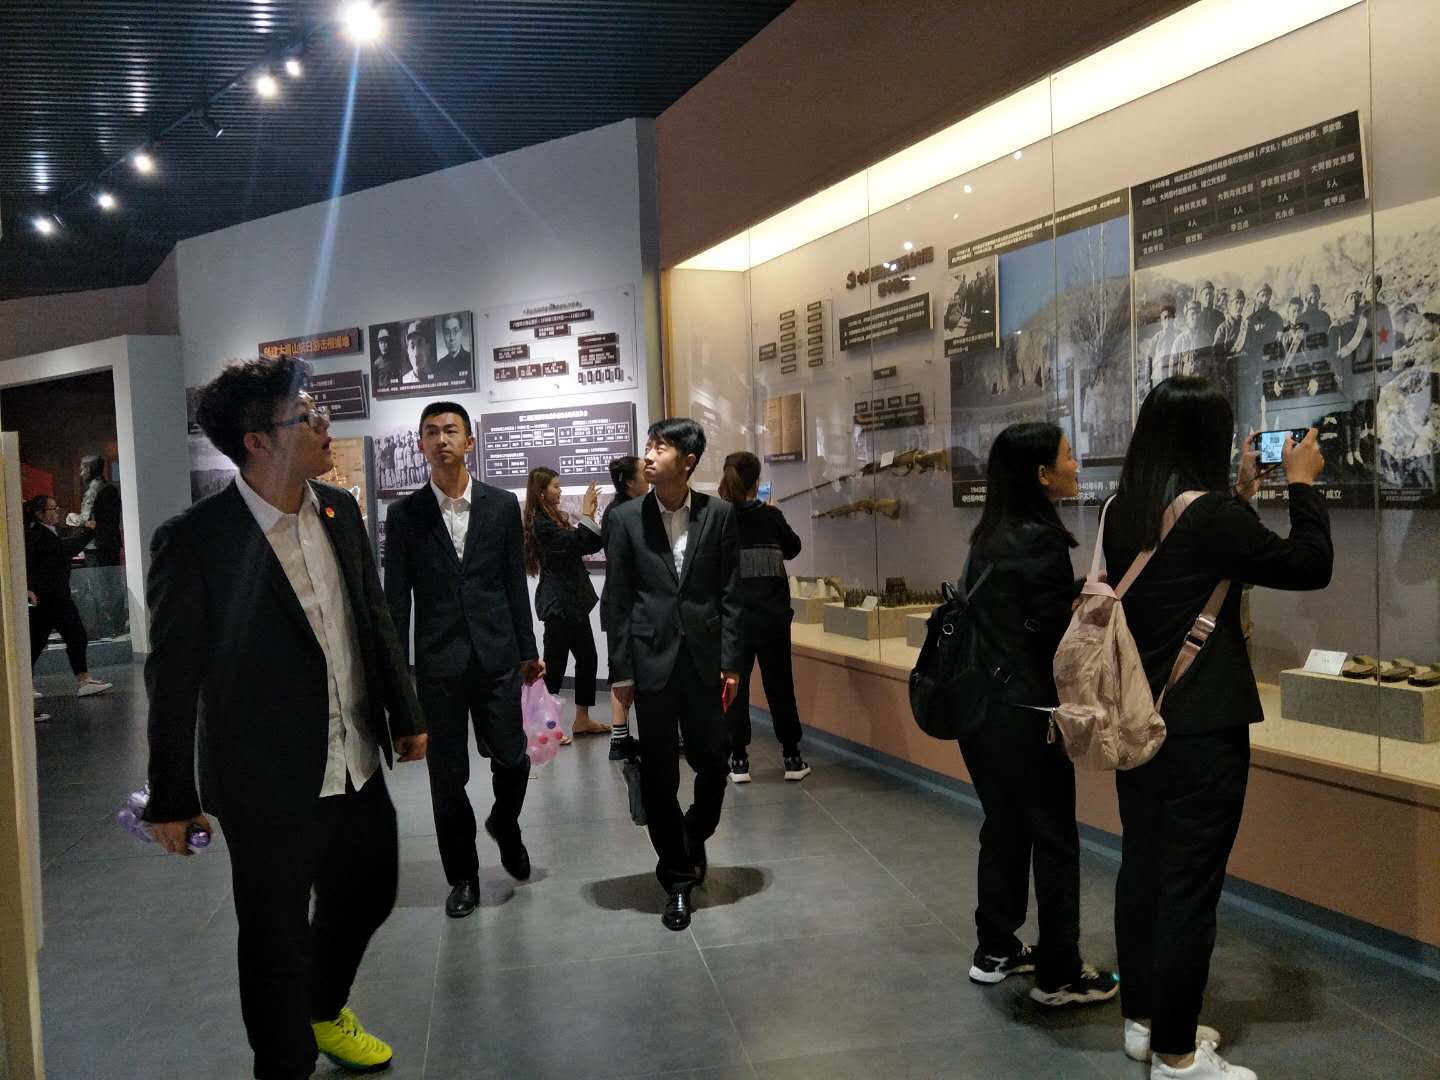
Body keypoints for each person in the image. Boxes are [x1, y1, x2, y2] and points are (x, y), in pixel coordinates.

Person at [143, 356, 428, 1079]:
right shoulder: (197, 540)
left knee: (370, 891)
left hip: (354, 758)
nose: (323, 424)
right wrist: (171, 797)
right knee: (273, 935)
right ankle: (284, 1062)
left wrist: (404, 711)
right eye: (306, 416)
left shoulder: (339, 511)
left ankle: (322, 1008)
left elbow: (372, 619)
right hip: (264, 778)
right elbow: (172, 676)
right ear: (257, 442)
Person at [1105, 376, 1331, 1079]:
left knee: (1144, 869)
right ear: (1209, 438)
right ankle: (1177, 1056)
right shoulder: (1213, 518)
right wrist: (1303, 484)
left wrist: (1241, 495)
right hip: (1201, 730)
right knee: (1189, 888)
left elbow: (1190, 561)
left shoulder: (1123, 509)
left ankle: (1144, 1023)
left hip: (1138, 718)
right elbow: (1310, 565)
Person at [958, 423, 1118, 1007]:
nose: (1076, 464)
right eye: (1067, 456)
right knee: (1053, 837)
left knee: (1004, 827)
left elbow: (1019, 608)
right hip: (1025, 714)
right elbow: (1051, 632)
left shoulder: (991, 534)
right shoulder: (1041, 541)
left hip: (983, 710)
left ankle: (995, 948)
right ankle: (1059, 973)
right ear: (1042, 474)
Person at [383, 401, 544, 919]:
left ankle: (505, 823)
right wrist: (396, 679)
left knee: (513, 758)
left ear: (469, 441)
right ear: (420, 444)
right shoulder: (405, 515)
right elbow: (396, 600)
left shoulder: (500, 505)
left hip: (497, 655)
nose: (441, 439)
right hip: (438, 664)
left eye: (450, 430)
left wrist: (528, 650)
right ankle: (464, 877)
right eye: (431, 432)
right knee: (447, 779)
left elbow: (513, 582)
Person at [606, 418, 743, 931]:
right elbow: (618, 598)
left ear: (687, 461)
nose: (648, 455)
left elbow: (731, 593)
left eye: (660, 447)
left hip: (706, 663)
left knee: (714, 762)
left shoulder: (719, 514)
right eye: (648, 445)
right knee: (659, 774)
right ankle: (678, 879)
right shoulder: (625, 519)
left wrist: (732, 661)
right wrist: (621, 673)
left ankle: (693, 833)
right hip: (652, 662)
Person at [715, 451, 809, 783]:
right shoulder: (771, 516)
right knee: (780, 686)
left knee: (734, 689)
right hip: (772, 619)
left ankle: (739, 760)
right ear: (757, 482)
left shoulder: (718, 518)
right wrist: (772, 515)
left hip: (734, 622)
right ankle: (792, 758)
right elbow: (794, 548)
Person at [523, 467, 608, 737]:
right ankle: (545, 726)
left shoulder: (554, 518)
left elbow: (588, 544)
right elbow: (578, 541)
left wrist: (589, 515)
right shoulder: (541, 524)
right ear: (542, 492)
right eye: (556, 486)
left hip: (572, 602)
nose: (560, 491)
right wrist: (585, 514)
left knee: (588, 659)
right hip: (558, 603)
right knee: (555, 665)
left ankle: (581, 720)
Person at [25, 495, 112, 707]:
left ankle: (81, 680)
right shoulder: (38, 534)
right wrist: (88, 532)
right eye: (52, 509)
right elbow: (65, 549)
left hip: (51, 595)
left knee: (43, 640)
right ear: (40, 513)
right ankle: (82, 680)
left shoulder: (43, 533)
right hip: (52, 596)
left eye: (56, 508)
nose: (57, 512)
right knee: (71, 635)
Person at [601, 455, 647, 759]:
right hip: (623, 602)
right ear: (630, 482)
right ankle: (619, 738)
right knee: (622, 669)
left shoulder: (619, 509)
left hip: (624, 600)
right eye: (643, 472)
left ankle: (622, 737)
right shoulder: (621, 513)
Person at [436, 313, 472, 381]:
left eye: (455, 331)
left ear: (461, 332)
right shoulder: (440, 364)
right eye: (447, 332)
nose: (451, 338)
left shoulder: (470, 360)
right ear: (443, 335)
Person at [1212, 290, 1246, 356]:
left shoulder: (1246, 326)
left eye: (1241, 303)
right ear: (1230, 305)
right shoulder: (1223, 328)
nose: (1239, 306)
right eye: (1236, 302)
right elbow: (1216, 353)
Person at [400, 320, 435, 385]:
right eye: (412, 346)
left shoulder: (439, 377)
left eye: (420, 344)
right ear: (408, 352)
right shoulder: (404, 380)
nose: (416, 353)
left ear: (428, 348)